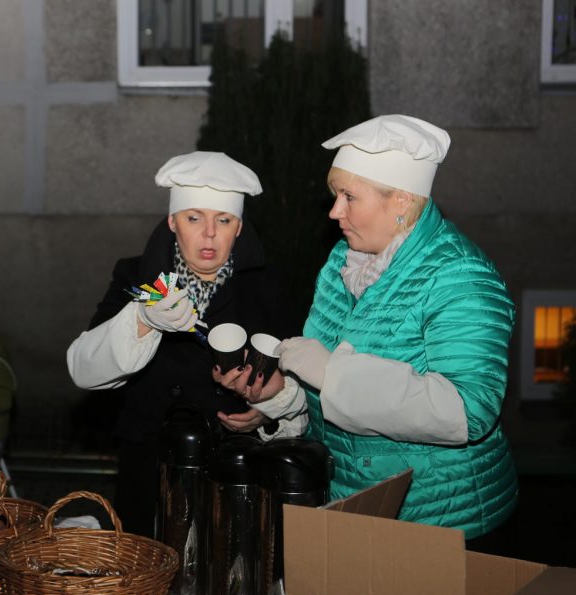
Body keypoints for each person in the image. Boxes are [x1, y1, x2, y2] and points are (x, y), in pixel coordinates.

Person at [217, 115, 518, 549]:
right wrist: (279, 398)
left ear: (400, 201)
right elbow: (326, 394)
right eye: (336, 195)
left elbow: (469, 411)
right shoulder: (345, 261)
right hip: (357, 507)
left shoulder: (460, 277)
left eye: (348, 197)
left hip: (443, 525)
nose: (334, 211)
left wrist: (335, 374)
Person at [66, 151, 301, 536]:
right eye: (195, 218)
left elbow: (297, 382)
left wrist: (267, 412)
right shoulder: (135, 276)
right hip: (150, 471)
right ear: (173, 222)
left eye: (223, 220)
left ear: (239, 227)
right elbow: (83, 369)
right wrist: (140, 319)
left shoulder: (268, 285)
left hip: (235, 477)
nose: (209, 234)